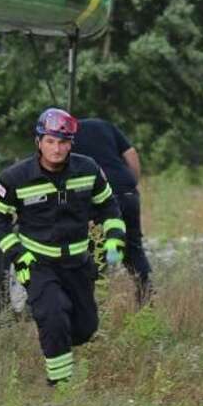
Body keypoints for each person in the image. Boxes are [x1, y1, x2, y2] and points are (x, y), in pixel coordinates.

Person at [0, 108, 125, 387]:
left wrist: (114, 239)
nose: (57, 149)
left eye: (63, 142)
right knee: (53, 315)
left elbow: (109, 206)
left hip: (78, 263)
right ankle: (60, 385)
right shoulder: (15, 178)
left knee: (86, 328)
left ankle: (55, 336)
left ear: (71, 144)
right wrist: (18, 256)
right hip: (37, 263)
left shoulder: (88, 169)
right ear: (39, 141)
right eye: (50, 141)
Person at [72, 116, 151, 302]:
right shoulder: (103, 124)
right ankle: (146, 297)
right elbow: (131, 153)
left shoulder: (61, 139)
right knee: (133, 247)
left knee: (96, 247)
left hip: (99, 195)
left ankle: (99, 301)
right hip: (127, 192)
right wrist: (132, 184)